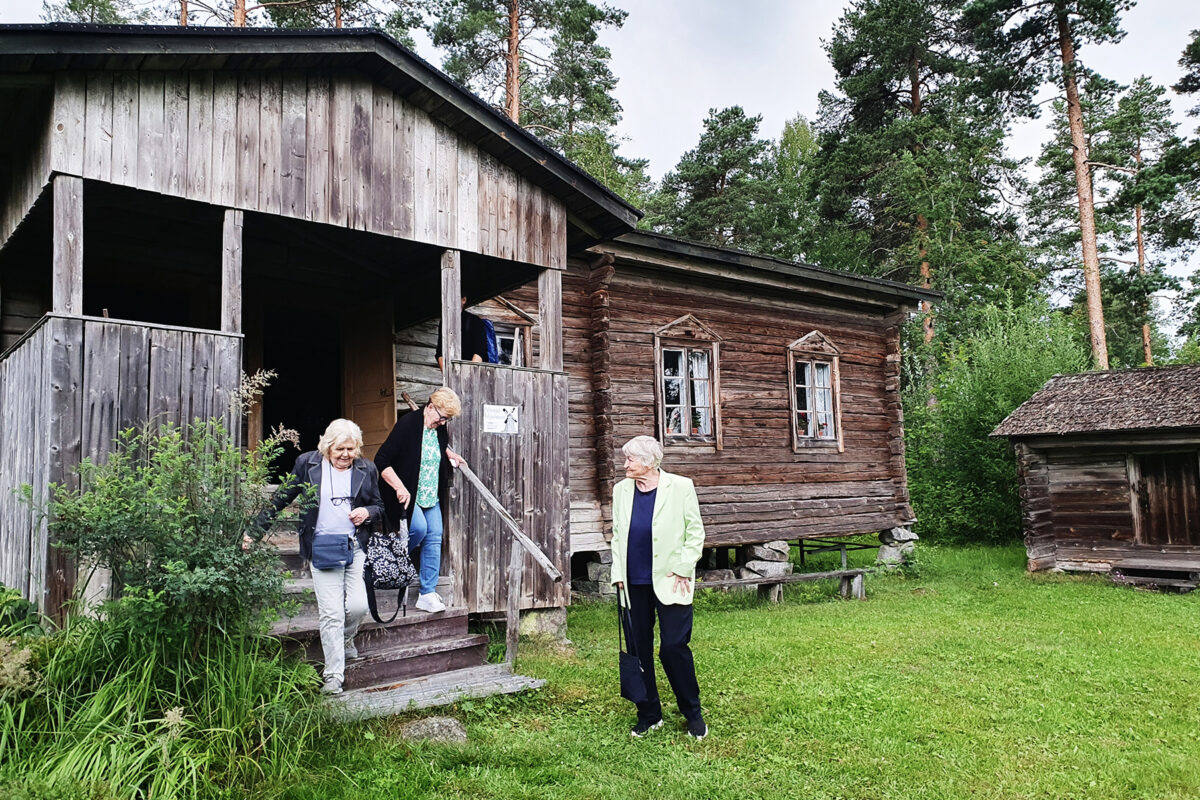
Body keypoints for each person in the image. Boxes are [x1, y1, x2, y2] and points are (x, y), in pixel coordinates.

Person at [256, 419, 383, 696]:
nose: (345, 455)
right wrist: (255, 531)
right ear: (327, 447)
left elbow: (379, 506)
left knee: (360, 607)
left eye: (351, 449)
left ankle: (347, 639)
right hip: (322, 550)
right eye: (340, 449)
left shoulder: (366, 468)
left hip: (355, 548)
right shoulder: (307, 464)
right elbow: (281, 498)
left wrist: (367, 513)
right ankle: (334, 676)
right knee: (332, 613)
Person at [610, 435, 708, 740]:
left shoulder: (681, 487)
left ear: (649, 462)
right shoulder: (621, 491)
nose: (625, 464)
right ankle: (649, 714)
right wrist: (618, 573)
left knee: (672, 648)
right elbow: (616, 535)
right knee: (639, 650)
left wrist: (683, 568)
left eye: (630, 459)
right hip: (633, 582)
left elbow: (695, 533)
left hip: (672, 580)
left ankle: (692, 712)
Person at [373, 387, 466, 613]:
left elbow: (434, 447)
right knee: (420, 529)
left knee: (435, 537)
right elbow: (381, 460)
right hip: (404, 493)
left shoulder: (439, 429)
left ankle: (427, 593)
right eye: (443, 417)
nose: (444, 423)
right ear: (431, 407)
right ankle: (394, 556)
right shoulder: (408, 425)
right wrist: (399, 487)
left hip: (429, 493)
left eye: (448, 419)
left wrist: (449, 454)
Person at [435, 297, 490, 370]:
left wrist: (467, 377)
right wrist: (448, 376)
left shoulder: (475, 321)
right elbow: (440, 353)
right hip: (451, 375)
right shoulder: (444, 322)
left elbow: (480, 353)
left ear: (463, 300)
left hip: (472, 374)